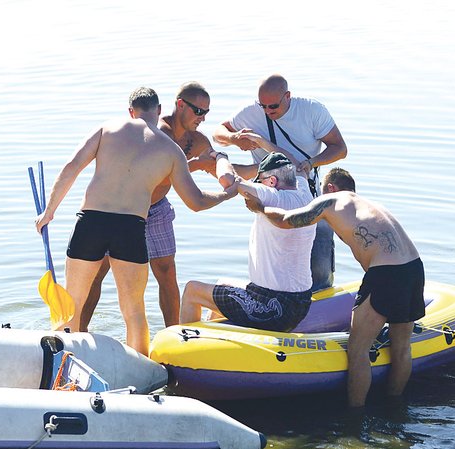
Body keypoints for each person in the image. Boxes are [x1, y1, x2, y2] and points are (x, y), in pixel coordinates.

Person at [35, 87, 237, 356]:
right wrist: (226, 194)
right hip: (130, 228)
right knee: (133, 311)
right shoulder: (171, 150)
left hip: (91, 221)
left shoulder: (108, 129)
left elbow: (72, 167)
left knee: (73, 304)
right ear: (159, 111)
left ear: (130, 111)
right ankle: (140, 367)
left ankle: (64, 363)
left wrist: (49, 212)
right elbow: (196, 202)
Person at [245, 167, 424, 408]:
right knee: (402, 347)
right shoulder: (368, 204)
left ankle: (355, 416)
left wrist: (260, 208)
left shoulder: (330, 200)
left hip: (386, 272)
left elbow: (288, 221)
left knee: (358, 348)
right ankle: (395, 407)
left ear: (330, 188)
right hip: (414, 268)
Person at [79, 82, 228, 330]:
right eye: (198, 111)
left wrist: (249, 177)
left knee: (167, 272)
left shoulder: (197, 140)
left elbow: (221, 171)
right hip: (124, 210)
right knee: (98, 272)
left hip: (157, 209)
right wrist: (196, 165)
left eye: (206, 112)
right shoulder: (156, 131)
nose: (202, 118)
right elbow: (160, 173)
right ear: (180, 105)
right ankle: (78, 332)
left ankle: (174, 335)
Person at [213, 74, 348, 291]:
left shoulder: (312, 111)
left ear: (288, 96)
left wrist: (311, 163)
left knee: (319, 264)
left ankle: (319, 301)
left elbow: (340, 149)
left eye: (273, 106)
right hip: (270, 196)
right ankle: (272, 304)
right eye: (262, 105)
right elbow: (218, 132)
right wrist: (234, 138)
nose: (267, 111)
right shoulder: (250, 112)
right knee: (274, 262)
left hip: (306, 193)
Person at [179, 152, 316, 332]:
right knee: (223, 284)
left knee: (192, 291)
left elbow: (228, 180)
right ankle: (215, 347)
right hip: (300, 304)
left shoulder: (272, 196)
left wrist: (220, 156)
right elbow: (300, 168)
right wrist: (260, 141)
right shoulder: (305, 192)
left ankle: (184, 351)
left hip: (272, 306)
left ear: (272, 182)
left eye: (260, 180)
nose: (256, 185)